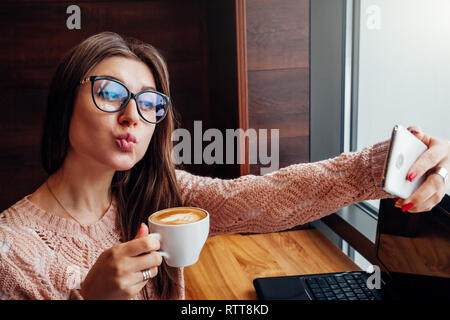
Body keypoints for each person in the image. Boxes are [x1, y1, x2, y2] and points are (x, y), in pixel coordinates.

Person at [0, 32, 448, 300]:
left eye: (150, 102)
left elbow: (262, 199)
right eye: (112, 93)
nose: (132, 115)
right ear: (65, 101)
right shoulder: (9, 251)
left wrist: (389, 165)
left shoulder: (159, 192)